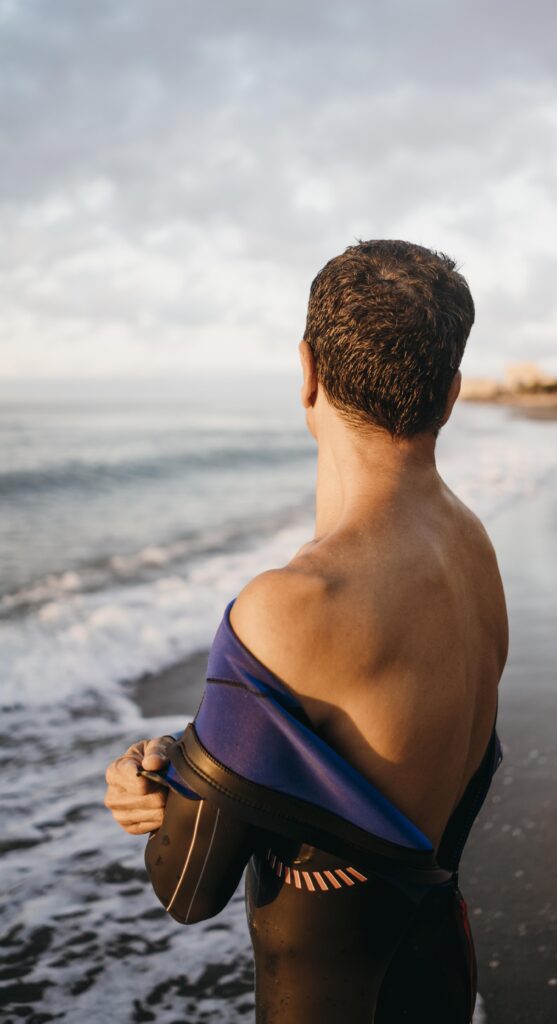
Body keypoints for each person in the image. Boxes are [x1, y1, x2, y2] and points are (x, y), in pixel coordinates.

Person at [104, 239, 509, 1022]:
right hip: (442, 982)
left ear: (308, 372)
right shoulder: (475, 550)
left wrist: (157, 770)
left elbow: (185, 884)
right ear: (452, 393)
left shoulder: (293, 607)